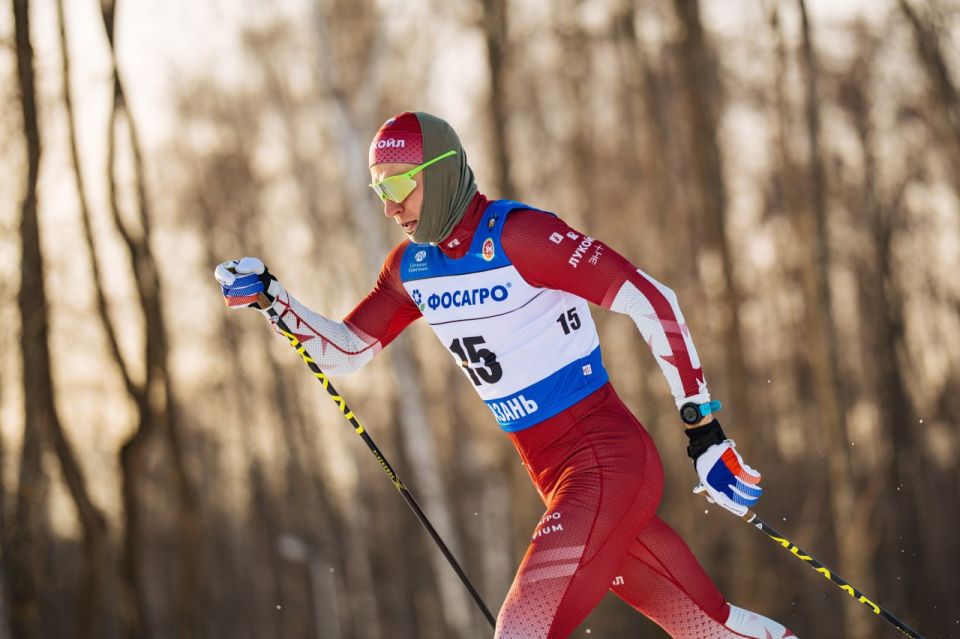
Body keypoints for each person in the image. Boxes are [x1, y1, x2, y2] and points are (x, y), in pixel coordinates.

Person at [215, 112, 797, 638]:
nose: (389, 206)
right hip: (557, 478)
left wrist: (704, 431)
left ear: (440, 173)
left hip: (607, 461)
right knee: (710, 629)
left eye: (398, 184)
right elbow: (347, 352)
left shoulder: (518, 235)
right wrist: (274, 298)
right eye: (378, 190)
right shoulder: (411, 267)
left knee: (520, 632)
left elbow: (654, 300)